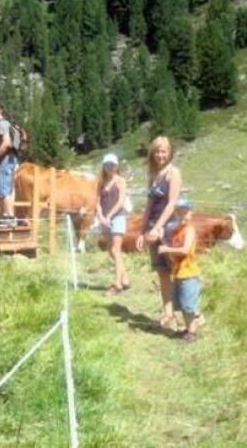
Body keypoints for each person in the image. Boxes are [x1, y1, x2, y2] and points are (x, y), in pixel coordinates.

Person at [135, 136, 181, 327]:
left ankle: (191, 313)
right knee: (162, 272)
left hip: (169, 227)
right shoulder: (153, 175)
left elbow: (171, 204)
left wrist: (157, 227)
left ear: (169, 153)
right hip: (154, 228)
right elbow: (149, 206)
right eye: (157, 151)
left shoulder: (173, 173)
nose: (160, 155)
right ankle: (168, 312)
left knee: (179, 270)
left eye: (164, 151)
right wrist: (142, 231)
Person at [158, 198, 203, 343]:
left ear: (190, 213)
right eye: (179, 212)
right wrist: (163, 240)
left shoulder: (189, 230)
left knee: (189, 305)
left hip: (189, 273)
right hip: (178, 272)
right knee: (183, 304)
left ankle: (192, 331)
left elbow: (185, 250)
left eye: (185, 212)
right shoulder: (177, 230)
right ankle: (188, 328)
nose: (181, 216)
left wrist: (166, 249)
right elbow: (173, 248)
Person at [96, 153, 130, 296]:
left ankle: (117, 284)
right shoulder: (101, 182)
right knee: (111, 250)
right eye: (107, 165)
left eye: (112, 165)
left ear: (116, 166)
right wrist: (101, 216)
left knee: (116, 250)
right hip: (105, 220)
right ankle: (125, 278)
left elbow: (121, 201)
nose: (110, 167)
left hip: (117, 218)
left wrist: (109, 216)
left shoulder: (120, 181)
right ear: (103, 166)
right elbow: (98, 201)